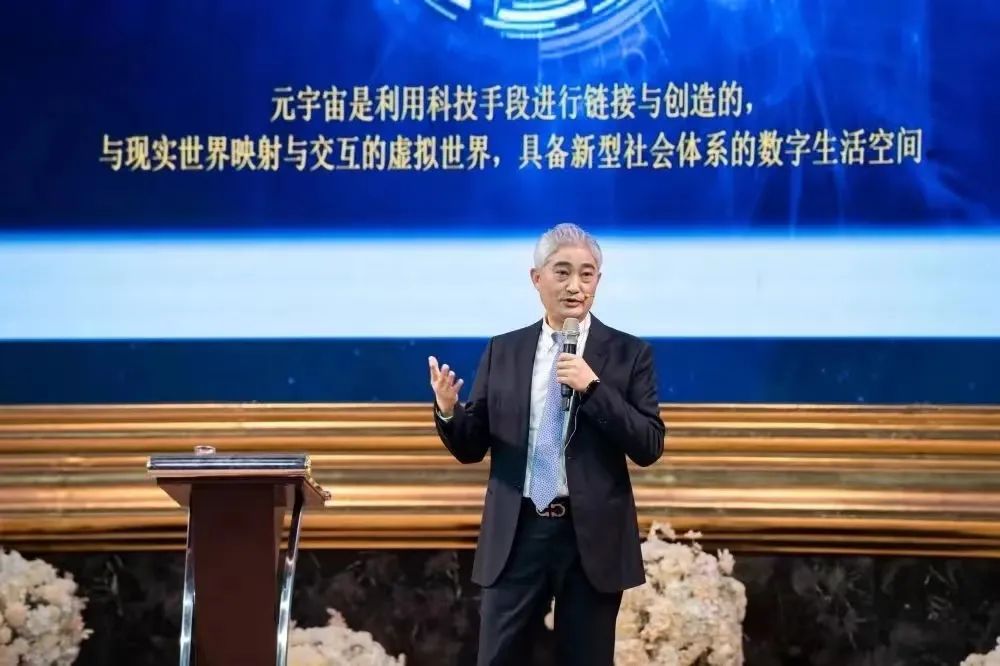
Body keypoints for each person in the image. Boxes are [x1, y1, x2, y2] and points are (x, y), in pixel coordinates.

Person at [428, 223, 666, 665]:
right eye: (562, 272)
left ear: (598, 281)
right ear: (537, 278)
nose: (575, 286)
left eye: (587, 274)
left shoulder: (629, 353)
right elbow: (471, 446)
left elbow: (649, 444)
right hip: (518, 531)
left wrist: (593, 388)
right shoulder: (504, 350)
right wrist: (447, 410)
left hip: (590, 537)